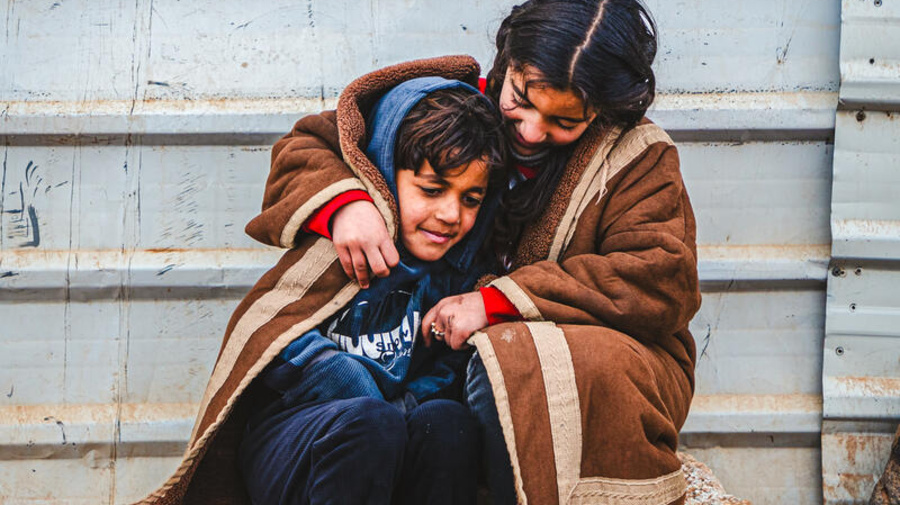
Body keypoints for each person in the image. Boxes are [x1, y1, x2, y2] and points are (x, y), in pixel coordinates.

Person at [138, 0, 702, 502]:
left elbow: (660, 275)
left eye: (564, 121)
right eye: (521, 100)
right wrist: (349, 203)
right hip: (346, 412)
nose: (529, 132)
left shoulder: (637, 159)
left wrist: (497, 302)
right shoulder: (440, 113)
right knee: (379, 425)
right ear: (504, 61)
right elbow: (310, 143)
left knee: (480, 384)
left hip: (557, 368)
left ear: (604, 112)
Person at [132, 60, 506, 505]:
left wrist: (406, 406)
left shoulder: (458, 280)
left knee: (447, 422)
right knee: (369, 422)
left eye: (470, 199)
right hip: (296, 441)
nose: (450, 214)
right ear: (387, 171)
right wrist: (355, 385)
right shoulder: (342, 243)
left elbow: (448, 370)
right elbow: (276, 335)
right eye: (431, 189)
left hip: (392, 441)